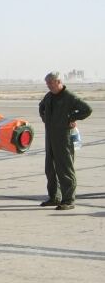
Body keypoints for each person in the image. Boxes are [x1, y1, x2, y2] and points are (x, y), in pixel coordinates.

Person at [38, 71, 92, 210]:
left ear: (58, 82)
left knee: (65, 169)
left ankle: (68, 200)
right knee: (50, 169)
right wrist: (45, 119)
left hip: (63, 138)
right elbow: (41, 107)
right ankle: (54, 197)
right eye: (47, 83)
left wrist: (72, 118)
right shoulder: (49, 96)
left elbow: (87, 109)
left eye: (50, 83)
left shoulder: (69, 97)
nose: (48, 86)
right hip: (50, 137)